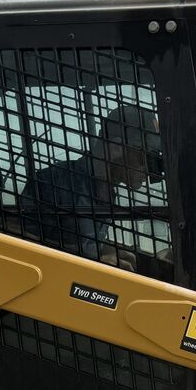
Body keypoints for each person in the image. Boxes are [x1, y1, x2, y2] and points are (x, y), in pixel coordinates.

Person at [26, 103, 164, 267]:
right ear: (116, 148)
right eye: (145, 159)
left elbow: (81, 243)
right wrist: (92, 262)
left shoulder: (107, 192)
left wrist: (108, 251)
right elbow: (10, 234)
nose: (149, 171)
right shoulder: (54, 182)